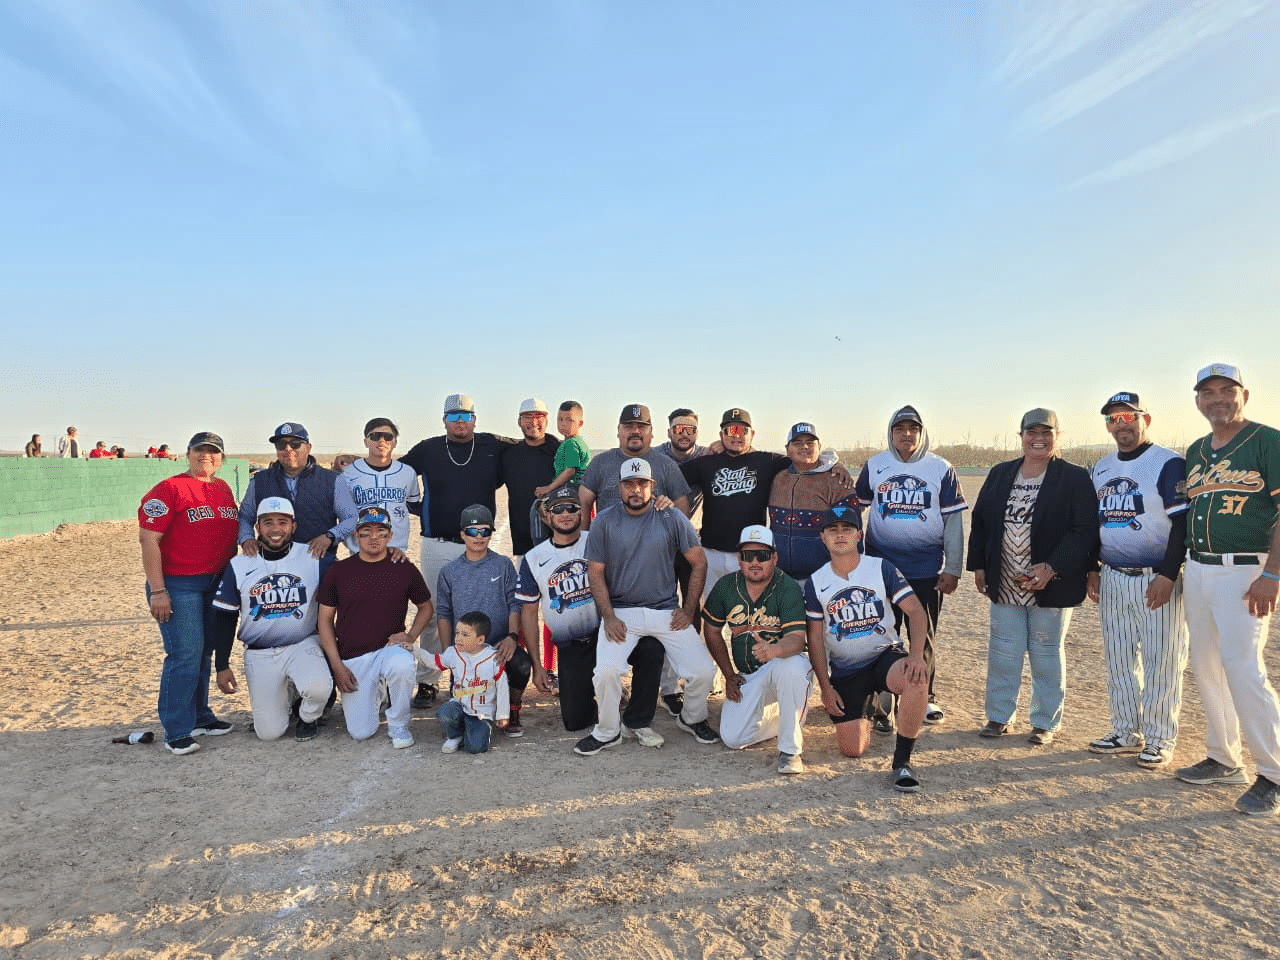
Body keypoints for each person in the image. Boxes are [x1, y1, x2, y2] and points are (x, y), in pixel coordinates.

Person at [1175, 363, 1280, 816]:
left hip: (1246, 570)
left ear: (1244, 395)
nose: (1217, 398)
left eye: (1226, 390)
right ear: (1197, 400)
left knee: (1244, 667)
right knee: (1206, 664)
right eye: (1208, 391)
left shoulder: (1267, 440)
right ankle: (1223, 756)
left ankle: (1273, 772)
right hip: (1198, 569)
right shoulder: (1197, 449)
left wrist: (1272, 574)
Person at [967, 408, 1098, 746]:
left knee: (1046, 652)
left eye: (1046, 433)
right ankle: (998, 717)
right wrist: (980, 565)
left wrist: (1052, 566)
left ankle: (1044, 722)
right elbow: (981, 522)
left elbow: (1084, 530)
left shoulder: (1074, 477)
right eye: (1032, 432)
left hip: (1051, 582)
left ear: (1058, 435)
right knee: (1003, 651)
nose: (1038, 439)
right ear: (1021, 435)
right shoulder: (1000, 473)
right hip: (1007, 579)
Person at [575, 458, 719, 755]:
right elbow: (595, 572)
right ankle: (608, 730)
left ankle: (692, 718)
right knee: (606, 673)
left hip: (665, 611)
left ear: (652, 486)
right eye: (629, 484)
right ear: (620, 488)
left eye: (642, 483)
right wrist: (609, 617)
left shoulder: (671, 517)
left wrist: (689, 610)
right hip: (622, 613)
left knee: (703, 671)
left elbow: (698, 562)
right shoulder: (604, 520)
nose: (636, 490)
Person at [1086, 392, 1189, 769]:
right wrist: (1091, 567)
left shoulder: (1167, 463)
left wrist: (1168, 572)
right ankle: (1125, 729)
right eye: (1113, 419)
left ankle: (1161, 737)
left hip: (1156, 578)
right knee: (1119, 658)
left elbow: (1181, 523)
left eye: (1128, 417)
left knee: (1163, 659)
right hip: (1113, 574)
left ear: (1145, 419)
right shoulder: (1101, 467)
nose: (1121, 425)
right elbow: (1093, 525)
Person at [517, 486, 665, 738]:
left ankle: (637, 717)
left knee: (652, 648)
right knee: (576, 721)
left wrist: (662, 507)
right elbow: (529, 614)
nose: (566, 514)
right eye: (558, 509)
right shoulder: (533, 558)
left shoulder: (598, 540)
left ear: (582, 513)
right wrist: (538, 666)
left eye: (572, 508)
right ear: (547, 516)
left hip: (608, 633)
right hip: (573, 644)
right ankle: (605, 695)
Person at [399, 394, 515, 708]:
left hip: (479, 543)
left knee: (480, 611)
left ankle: (473, 673)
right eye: (453, 416)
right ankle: (427, 680)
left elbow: (530, 447)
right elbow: (395, 472)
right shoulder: (428, 448)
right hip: (437, 543)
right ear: (444, 420)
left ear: (475, 418)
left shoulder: (493, 445)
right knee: (437, 613)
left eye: (465, 415)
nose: (460, 421)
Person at [856, 405, 967, 728]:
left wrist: (953, 568)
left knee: (924, 635)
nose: (907, 435)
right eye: (900, 429)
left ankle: (925, 696)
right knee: (880, 632)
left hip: (925, 569)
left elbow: (953, 522)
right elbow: (855, 510)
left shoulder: (940, 468)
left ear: (921, 433)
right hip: (881, 568)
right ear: (891, 433)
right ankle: (880, 701)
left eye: (913, 429)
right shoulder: (875, 465)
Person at [806, 507, 930, 791]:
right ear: (823, 537)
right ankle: (876, 705)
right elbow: (814, 639)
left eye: (847, 529)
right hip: (847, 670)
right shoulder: (816, 581)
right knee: (853, 749)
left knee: (916, 679)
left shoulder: (880, 567)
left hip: (884, 656)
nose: (840, 535)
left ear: (859, 535)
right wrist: (825, 687)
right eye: (833, 530)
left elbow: (916, 611)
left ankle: (902, 762)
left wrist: (916, 656)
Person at [138, 432, 239, 755]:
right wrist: (158, 590)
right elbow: (148, 539)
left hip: (215, 581)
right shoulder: (169, 489)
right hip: (178, 582)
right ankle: (177, 728)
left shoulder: (222, 488)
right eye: (200, 451)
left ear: (221, 458)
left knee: (204, 650)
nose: (206, 457)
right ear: (188, 454)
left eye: (213, 452)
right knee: (185, 653)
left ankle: (200, 715)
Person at [212, 497, 335, 742]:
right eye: (268, 522)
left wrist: (389, 553)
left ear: (293, 527)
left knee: (319, 688)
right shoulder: (239, 564)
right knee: (269, 733)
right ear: (258, 527)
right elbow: (225, 617)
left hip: (302, 644)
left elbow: (355, 572)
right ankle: (287, 695)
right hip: (260, 652)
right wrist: (222, 665)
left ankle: (308, 716)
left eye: (282, 522)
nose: (275, 529)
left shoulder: (312, 557)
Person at [315, 506, 434, 748]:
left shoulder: (402, 567)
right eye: (366, 531)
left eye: (381, 532)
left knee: (402, 665)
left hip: (389, 648)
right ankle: (377, 690)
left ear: (390, 536)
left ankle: (399, 724)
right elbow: (324, 621)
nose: (374, 538)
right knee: (361, 732)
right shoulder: (339, 571)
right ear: (356, 535)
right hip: (354, 655)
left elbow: (426, 607)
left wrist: (410, 635)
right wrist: (337, 666)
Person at [702, 525, 812, 774]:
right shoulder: (727, 586)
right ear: (739, 559)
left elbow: (796, 639)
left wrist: (774, 650)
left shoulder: (787, 587)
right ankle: (789, 717)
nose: (754, 562)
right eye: (747, 555)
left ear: (774, 558)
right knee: (733, 738)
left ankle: (791, 751)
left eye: (762, 555)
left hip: (783, 668)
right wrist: (729, 674)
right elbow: (711, 630)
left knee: (790, 665)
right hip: (749, 675)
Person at [435, 505, 539, 737]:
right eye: (472, 531)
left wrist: (512, 637)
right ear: (462, 534)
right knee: (463, 713)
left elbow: (515, 604)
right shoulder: (449, 571)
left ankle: (513, 710)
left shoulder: (503, 565)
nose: (479, 537)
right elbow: (443, 613)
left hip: (498, 643)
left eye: (485, 531)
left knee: (521, 664)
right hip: (466, 648)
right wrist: (448, 652)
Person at [680, 408, 790, 599]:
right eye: (730, 431)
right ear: (721, 435)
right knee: (712, 614)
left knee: (750, 613)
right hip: (711, 553)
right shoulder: (707, 463)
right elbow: (669, 476)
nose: (737, 436)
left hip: (750, 554)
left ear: (752, 434)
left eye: (742, 431)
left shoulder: (766, 461)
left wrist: (835, 464)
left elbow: (804, 462)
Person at [237, 422, 352, 560]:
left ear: (308, 447)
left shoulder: (333, 481)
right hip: (272, 563)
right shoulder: (259, 481)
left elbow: (350, 518)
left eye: (295, 443)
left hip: (317, 562)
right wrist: (247, 539)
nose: (288, 449)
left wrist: (330, 536)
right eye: (281, 444)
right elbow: (245, 516)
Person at [768, 422, 860, 583]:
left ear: (820, 447)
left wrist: (850, 574)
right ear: (787, 449)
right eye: (797, 443)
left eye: (810, 443)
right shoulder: (777, 478)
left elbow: (852, 534)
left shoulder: (836, 480)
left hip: (825, 577)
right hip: (781, 578)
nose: (804, 447)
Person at [579, 404, 691, 527]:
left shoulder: (667, 465)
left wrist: (670, 509)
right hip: (608, 543)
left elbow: (683, 512)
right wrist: (584, 540)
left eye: (641, 427)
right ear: (618, 430)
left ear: (651, 432)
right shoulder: (599, 462)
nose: (635, 431)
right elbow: (583, 505)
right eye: (628, 426)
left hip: (655, 544)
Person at [419, 611, 510, 754]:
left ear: (480, 640)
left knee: (475, 748)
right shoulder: (453, 652)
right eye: (457, 633)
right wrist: (413, 650)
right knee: (445, 713)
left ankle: (472, 731)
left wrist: (503, 715)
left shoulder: (494, 659)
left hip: (482, 713)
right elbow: (434, 661)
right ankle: (455, 735)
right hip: (460, 705)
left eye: (465, 635)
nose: (458, 638)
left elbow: (503, 687)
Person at [333, 417, 422, 554]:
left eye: (387, 437)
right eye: (375, 436)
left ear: (395, 442)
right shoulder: (348, 473)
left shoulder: (407, 472)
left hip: (396, 553)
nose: (381, 441)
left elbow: (412, 503)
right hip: (359, 552)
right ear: (365, 442)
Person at [501, 398, 561, 557]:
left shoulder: (561, 452)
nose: (533, 421)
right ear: (519, 422)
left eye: (538, 416)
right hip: (523, 547)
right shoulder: (509, 455)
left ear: (547, 421)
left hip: (559, 545)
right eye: (527, 417)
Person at [535, 400, 592, 498]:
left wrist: (549, 488)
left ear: (580, 423)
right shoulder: (578, 441)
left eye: (569, 420)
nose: (563, 424)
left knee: (537, 507)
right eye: (560, 419)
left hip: (572, 486)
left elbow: (570, 470)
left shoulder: (571, 444)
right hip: (579, 487)